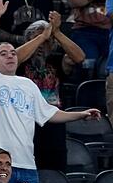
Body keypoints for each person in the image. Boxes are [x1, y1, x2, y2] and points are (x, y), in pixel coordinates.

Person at [0, 0, 101, 183]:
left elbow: (50, 113)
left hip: (27, 163)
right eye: (3, 53)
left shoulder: (27, 84)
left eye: (13, 53)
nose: (10, 56)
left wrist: (80, 114)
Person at [17, 14, 86, 171]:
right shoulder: (19, 63)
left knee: (56, 170)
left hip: (54, 124)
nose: (42, 45)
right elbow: (14, 57)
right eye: (37, 39)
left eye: (46, 41)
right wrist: (42, 37)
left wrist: (56, 32)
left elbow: (80, 57)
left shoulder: (56, 60)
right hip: (26, 124)